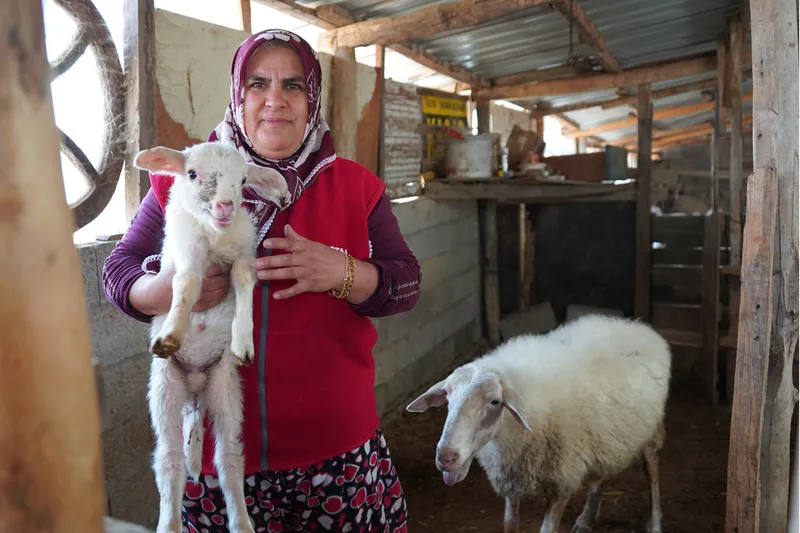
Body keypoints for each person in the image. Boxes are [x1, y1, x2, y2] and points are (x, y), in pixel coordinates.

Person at [102, 28, 421, 533]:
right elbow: (117, 273)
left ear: (312, 97)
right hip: (218, 459)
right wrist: (166, 290)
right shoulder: (183, 181)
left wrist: (343, 272)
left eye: (293, 85)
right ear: (237, 93)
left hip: (335, 452)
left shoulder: (357, 187)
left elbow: (406, 283)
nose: (275, 100)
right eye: (258, 83)